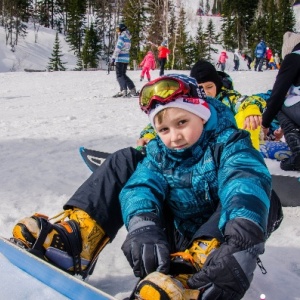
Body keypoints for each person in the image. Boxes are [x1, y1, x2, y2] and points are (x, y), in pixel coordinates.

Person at [12, 75, 274, 300]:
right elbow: (140, 187)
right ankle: (77, 241)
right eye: (164, 129)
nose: (174, 136)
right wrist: (143, 227)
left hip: (223, 247)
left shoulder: (229, 144)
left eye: (182, 122)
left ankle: (190, 281)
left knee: (262, 198)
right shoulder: (159, 153)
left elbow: (244, 178)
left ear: (202, 114)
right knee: (126, 159)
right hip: (169, 238)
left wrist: (243, 235)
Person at [190, 59, 269, 149]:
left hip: (229, 141)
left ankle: (247, 157)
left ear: (217, 84)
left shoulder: (227, 97)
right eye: (200, 88)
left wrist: (250, 110)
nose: (205, 92)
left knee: (247, 117)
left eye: (209, 87)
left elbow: (243, 101)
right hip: (204, 145)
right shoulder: (189, 102)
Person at [262, 31, 300, 171]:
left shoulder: (294, 57)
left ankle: (298, 152)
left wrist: (265, 123)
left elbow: (278, 95)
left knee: (282, 103)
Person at [111, 23, 138, 98]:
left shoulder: (122, 37)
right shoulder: (128, 38)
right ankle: (132, 89)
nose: (117, 31)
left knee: (119, 75)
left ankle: (124, 90)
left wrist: (113, 58)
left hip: (120, 58)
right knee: (123, 75)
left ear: (121, 29)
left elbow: (118, 48)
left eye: (118, 29)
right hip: (126, 59)